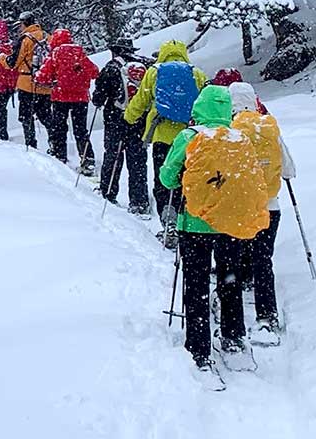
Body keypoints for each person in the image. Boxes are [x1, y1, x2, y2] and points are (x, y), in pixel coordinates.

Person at [159, 85, 261, 378]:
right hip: (230, 224)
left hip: (195, 223)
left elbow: (167, 178)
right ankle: (233, 335)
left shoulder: (189, 137)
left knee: (197, 283)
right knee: (229, 279)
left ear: (199, 107)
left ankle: (199, 347)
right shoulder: (239, 138)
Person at [229, 80, 296, 345]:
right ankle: (267, 314)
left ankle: (234, 303)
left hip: (240, 207)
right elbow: (289, 169)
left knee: (234, 254)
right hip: (270, 206)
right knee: (263, 258)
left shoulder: (231, 130)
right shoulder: (269, 128)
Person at [124, 39, 208, 247]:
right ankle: (185, 222)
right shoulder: (196, 73)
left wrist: (128, 117)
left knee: (163, 179)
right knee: (186, 180)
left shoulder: (154, 72)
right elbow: (205, 102)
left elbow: (141, 101)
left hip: (161, 135)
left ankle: (168, 223)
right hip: (189, 137)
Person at [91, 36, 150, 215]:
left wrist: (100, 99)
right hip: (138, 120)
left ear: (114, 51)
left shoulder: (111, 68)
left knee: (113, 155)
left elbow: (98, 98)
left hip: (115, 119)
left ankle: (108, 192)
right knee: (138, 160)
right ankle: (139, 202)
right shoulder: (143, 68)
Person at [35, 28, 100, 172]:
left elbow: (42, 76)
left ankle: (60, 156)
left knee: (59, 128)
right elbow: (94, 71)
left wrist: (44, 78)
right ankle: (87, 159)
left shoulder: (56, 53)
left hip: (60, 97)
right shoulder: (79, 53)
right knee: (81, 130)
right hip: (81, 97)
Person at [6, 12, 53, 151]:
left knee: (26, 116)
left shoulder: (25, 39)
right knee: (46, 116)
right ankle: (55, 142)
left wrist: (1, 57)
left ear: (24, 23)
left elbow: (13, 63)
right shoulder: (47, 37)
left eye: (20, 24)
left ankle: (30, 144)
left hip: (27, 83)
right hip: (45, 83)